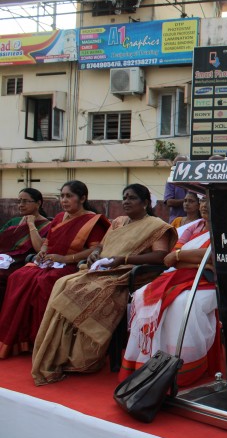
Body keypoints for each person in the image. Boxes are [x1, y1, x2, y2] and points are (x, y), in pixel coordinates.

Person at [31, 184, 176, 385]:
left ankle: (84, 358)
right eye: (124, 197)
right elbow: (101, 245)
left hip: (125, 274)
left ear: (145, 203)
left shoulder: (156, 226)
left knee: (85, 291)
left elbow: (160, 256)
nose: (126, 201)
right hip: (102, 269)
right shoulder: (118, 221)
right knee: (63, 283)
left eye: (132, 198)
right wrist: (95, 254)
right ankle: (59, 353)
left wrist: (123, 259)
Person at [0, 181, 110, 359]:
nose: (64, 200)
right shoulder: (59, 217)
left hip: (74, 265)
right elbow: (48, 242)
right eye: (62, 196)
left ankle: (44, 341)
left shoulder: (93, 221)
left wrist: (64, 259)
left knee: (44, 282)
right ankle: (20, 340)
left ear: (82, 198)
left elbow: (95, 250)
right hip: (50, 262)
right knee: (18, 276)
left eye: (69, 196)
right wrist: (42, 253)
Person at [120, 195, 217, 387]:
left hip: (210, 281)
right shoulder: (193, 227)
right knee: (144, 296)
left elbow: (215, 257)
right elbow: (170, 257)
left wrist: (181, 256)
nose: (205, 205)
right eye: (203, 200)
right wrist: (189, 258)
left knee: (183, 304)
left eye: (210, 200)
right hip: (181, 276)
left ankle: (184, 366)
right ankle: (149, 364)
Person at [0, 189, 52, 306]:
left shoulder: (47, 225)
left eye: (25, 201)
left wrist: (31, 224)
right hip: (4, 259)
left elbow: (39, 248)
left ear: (38, 203)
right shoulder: (14, 221)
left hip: (22, 262)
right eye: (19, 201)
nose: (21, 205)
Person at [164, 155, 189, 222]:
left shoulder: (195, 180)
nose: (178, 168)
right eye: (176, 165)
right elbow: (169, 202)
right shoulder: (171, 181)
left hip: (194, 221)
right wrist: (189, 201)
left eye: (182, 165)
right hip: (176, 221)